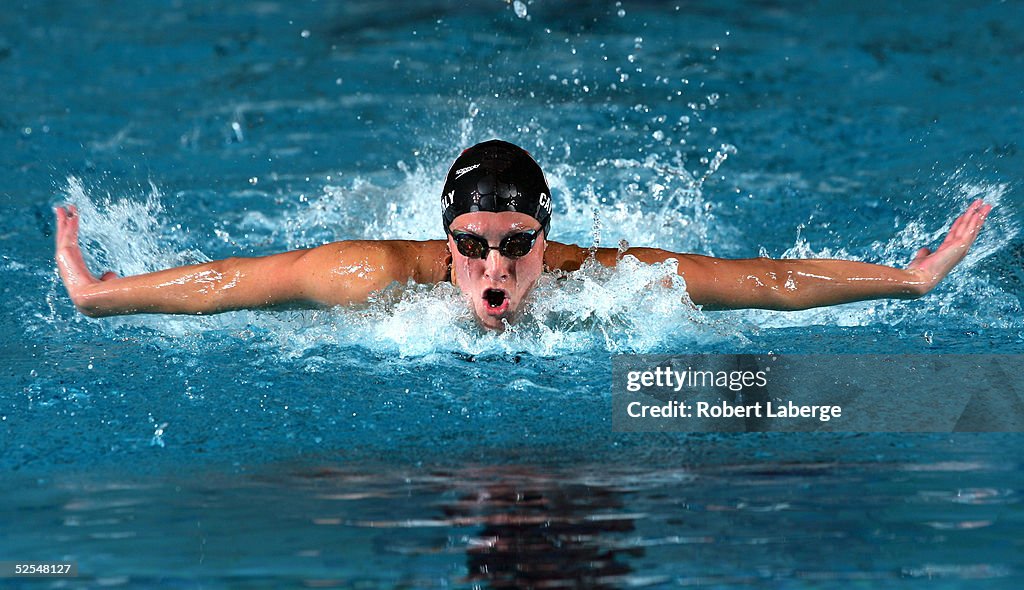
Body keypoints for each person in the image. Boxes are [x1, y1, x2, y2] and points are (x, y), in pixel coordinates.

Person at [55, 139, 992, 331]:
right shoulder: (370, 273)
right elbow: (228, 283)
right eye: (471, 244)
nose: (494, 266)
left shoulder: (612, 278)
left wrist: (909, 279)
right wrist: (98, 293)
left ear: (551, 238)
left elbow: (764, 281)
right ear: (445, 239)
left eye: (514, 242)